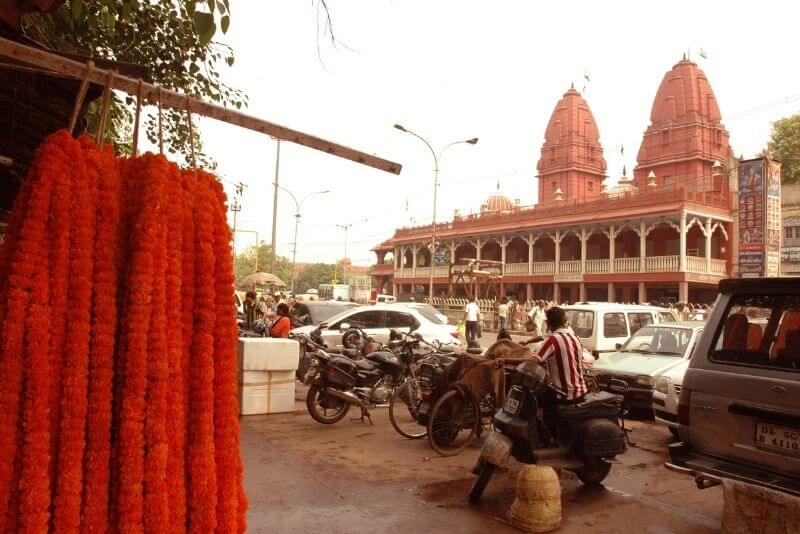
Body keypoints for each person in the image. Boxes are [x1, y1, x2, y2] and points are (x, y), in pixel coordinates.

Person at [495, 306, 588, 439]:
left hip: (564, 394)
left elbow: (531, 361)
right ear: (564, 321)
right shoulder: (575, 337)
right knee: (543, 391)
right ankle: (546, 429)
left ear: (548, 324)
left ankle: (544, 433)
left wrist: (505, 359)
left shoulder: (553, 340)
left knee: (531, 397)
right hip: (580, 390)